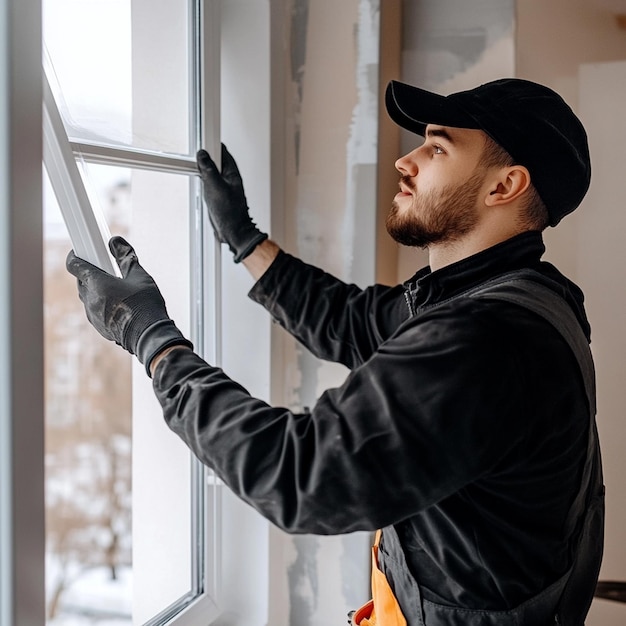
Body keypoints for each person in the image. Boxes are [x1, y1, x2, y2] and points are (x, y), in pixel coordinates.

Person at [66, 77, 604, 626]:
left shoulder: (487, 340)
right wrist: (245, 239)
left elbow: (300, 474)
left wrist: (151, 338)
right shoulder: (514, 293)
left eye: (437, 147)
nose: (406, 161)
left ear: (504, 186)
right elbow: (351, 320)